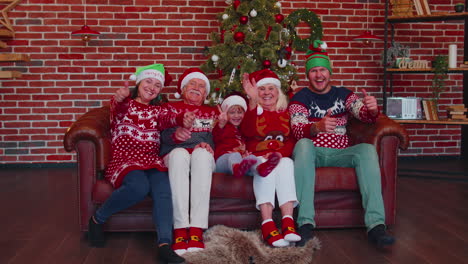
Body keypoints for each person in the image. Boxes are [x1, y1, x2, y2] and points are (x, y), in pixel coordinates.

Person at [288, 40, 396, 248]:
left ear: (329, 72)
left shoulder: (344, 94)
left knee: (365, 150)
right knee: (302, 145)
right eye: (314, 71)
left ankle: (376, 227)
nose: (319, 75)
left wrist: (372, 109)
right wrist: (316, 127)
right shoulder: (299, 98)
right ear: (307, 75)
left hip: (341, 153)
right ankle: (305, 224)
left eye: (323, 70)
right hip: (313, 153)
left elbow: (362, 114)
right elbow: (297, 129)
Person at [87, 64, 194, 263]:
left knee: (163, 190)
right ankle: (97, 219)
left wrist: (183, 118)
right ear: (139, 83)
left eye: (157, 85)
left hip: (151, 160)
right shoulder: (126, 104)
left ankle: (164, 244)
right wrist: (119, 97)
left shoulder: (158, 111)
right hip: (125, 159)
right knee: (138, 186)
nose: (152, 87)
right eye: (148, 82)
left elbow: (171, 118)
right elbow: (117, 107)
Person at [159, 68, 218, 256]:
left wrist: (206, 143)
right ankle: (180, 228)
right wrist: (175, 135)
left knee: (201, 154)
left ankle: (196, 230)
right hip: (174, 153)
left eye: (201, 86)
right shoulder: (170, 108)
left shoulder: (212, 112)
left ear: (206, 95)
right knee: (179, 154)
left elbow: (218, 137)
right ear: (183, 89)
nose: (196, 88)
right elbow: (162, 137)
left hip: (202, 155)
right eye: (192, 84)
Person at [240, 68, 301, 247]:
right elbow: (247, 132)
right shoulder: (252, 111)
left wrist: (279, 154)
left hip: (280, 156)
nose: (267, 93)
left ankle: (288, 222)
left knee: (286, 163)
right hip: (258, 157)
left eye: (271, 88)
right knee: (265, 165)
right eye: (262, 89)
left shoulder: (287, 112)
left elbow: (291, 140)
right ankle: (267, 224)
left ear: (278, 91)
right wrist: (252, 101)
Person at [212, 93, 258, 178]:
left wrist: (245, 155)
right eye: (232, 112)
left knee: (252, 157)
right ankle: (237, 168)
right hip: (222, 161)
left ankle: (260, 169)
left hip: (239, 160)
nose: (236, 116)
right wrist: (221, 124)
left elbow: (250, 133)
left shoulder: (243, 131)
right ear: (226, 114)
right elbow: (216, 135)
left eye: (240, 112)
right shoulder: (223, 127)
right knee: (235, 155)